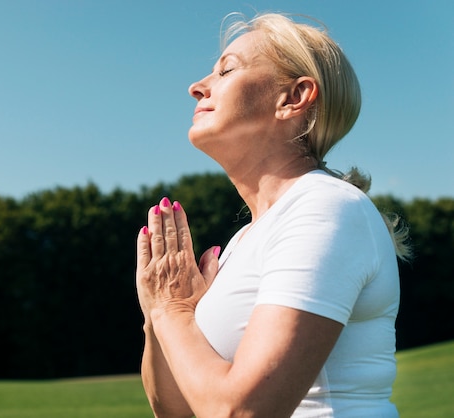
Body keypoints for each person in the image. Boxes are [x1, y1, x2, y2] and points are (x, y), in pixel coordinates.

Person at [135, 12, 410, 418]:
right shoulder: (243, 241)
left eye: (226, 70)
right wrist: (158, 319)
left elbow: (244, 412)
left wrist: (171, 311)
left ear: (294, 97)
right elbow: (178, 412)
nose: (197, 87)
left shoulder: (326, 208)